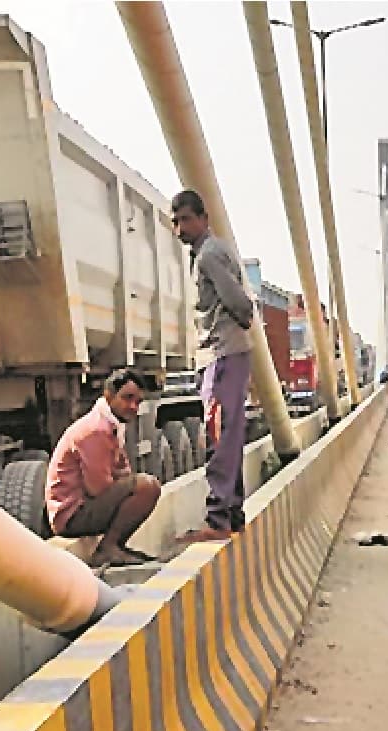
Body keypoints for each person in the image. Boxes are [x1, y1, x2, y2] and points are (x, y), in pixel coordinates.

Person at [171, 189, 254, 544]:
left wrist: (240, 322)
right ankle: (232, 515)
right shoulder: (208, 254)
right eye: (175, 221)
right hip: (224, 355)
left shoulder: (208, 256)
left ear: (204, 219)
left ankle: (218, 518)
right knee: (228, 436)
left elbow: (240, 304)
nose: (180, 228)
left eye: (186, 219)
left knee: (218, 436)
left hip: (222, 354)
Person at [46, 369, 161, 567]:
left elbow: (123, 469)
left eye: (137, 402)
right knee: (147, 487)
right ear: (108, 396)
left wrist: (119, 477)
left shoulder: (112, 426)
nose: (133, 406)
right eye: (127, 398)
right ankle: (108, 548)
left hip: (80, 508)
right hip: (71, 515)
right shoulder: (96, 430)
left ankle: (115, 546)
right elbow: (98, 488)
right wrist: (121, 479)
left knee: (141, 484)